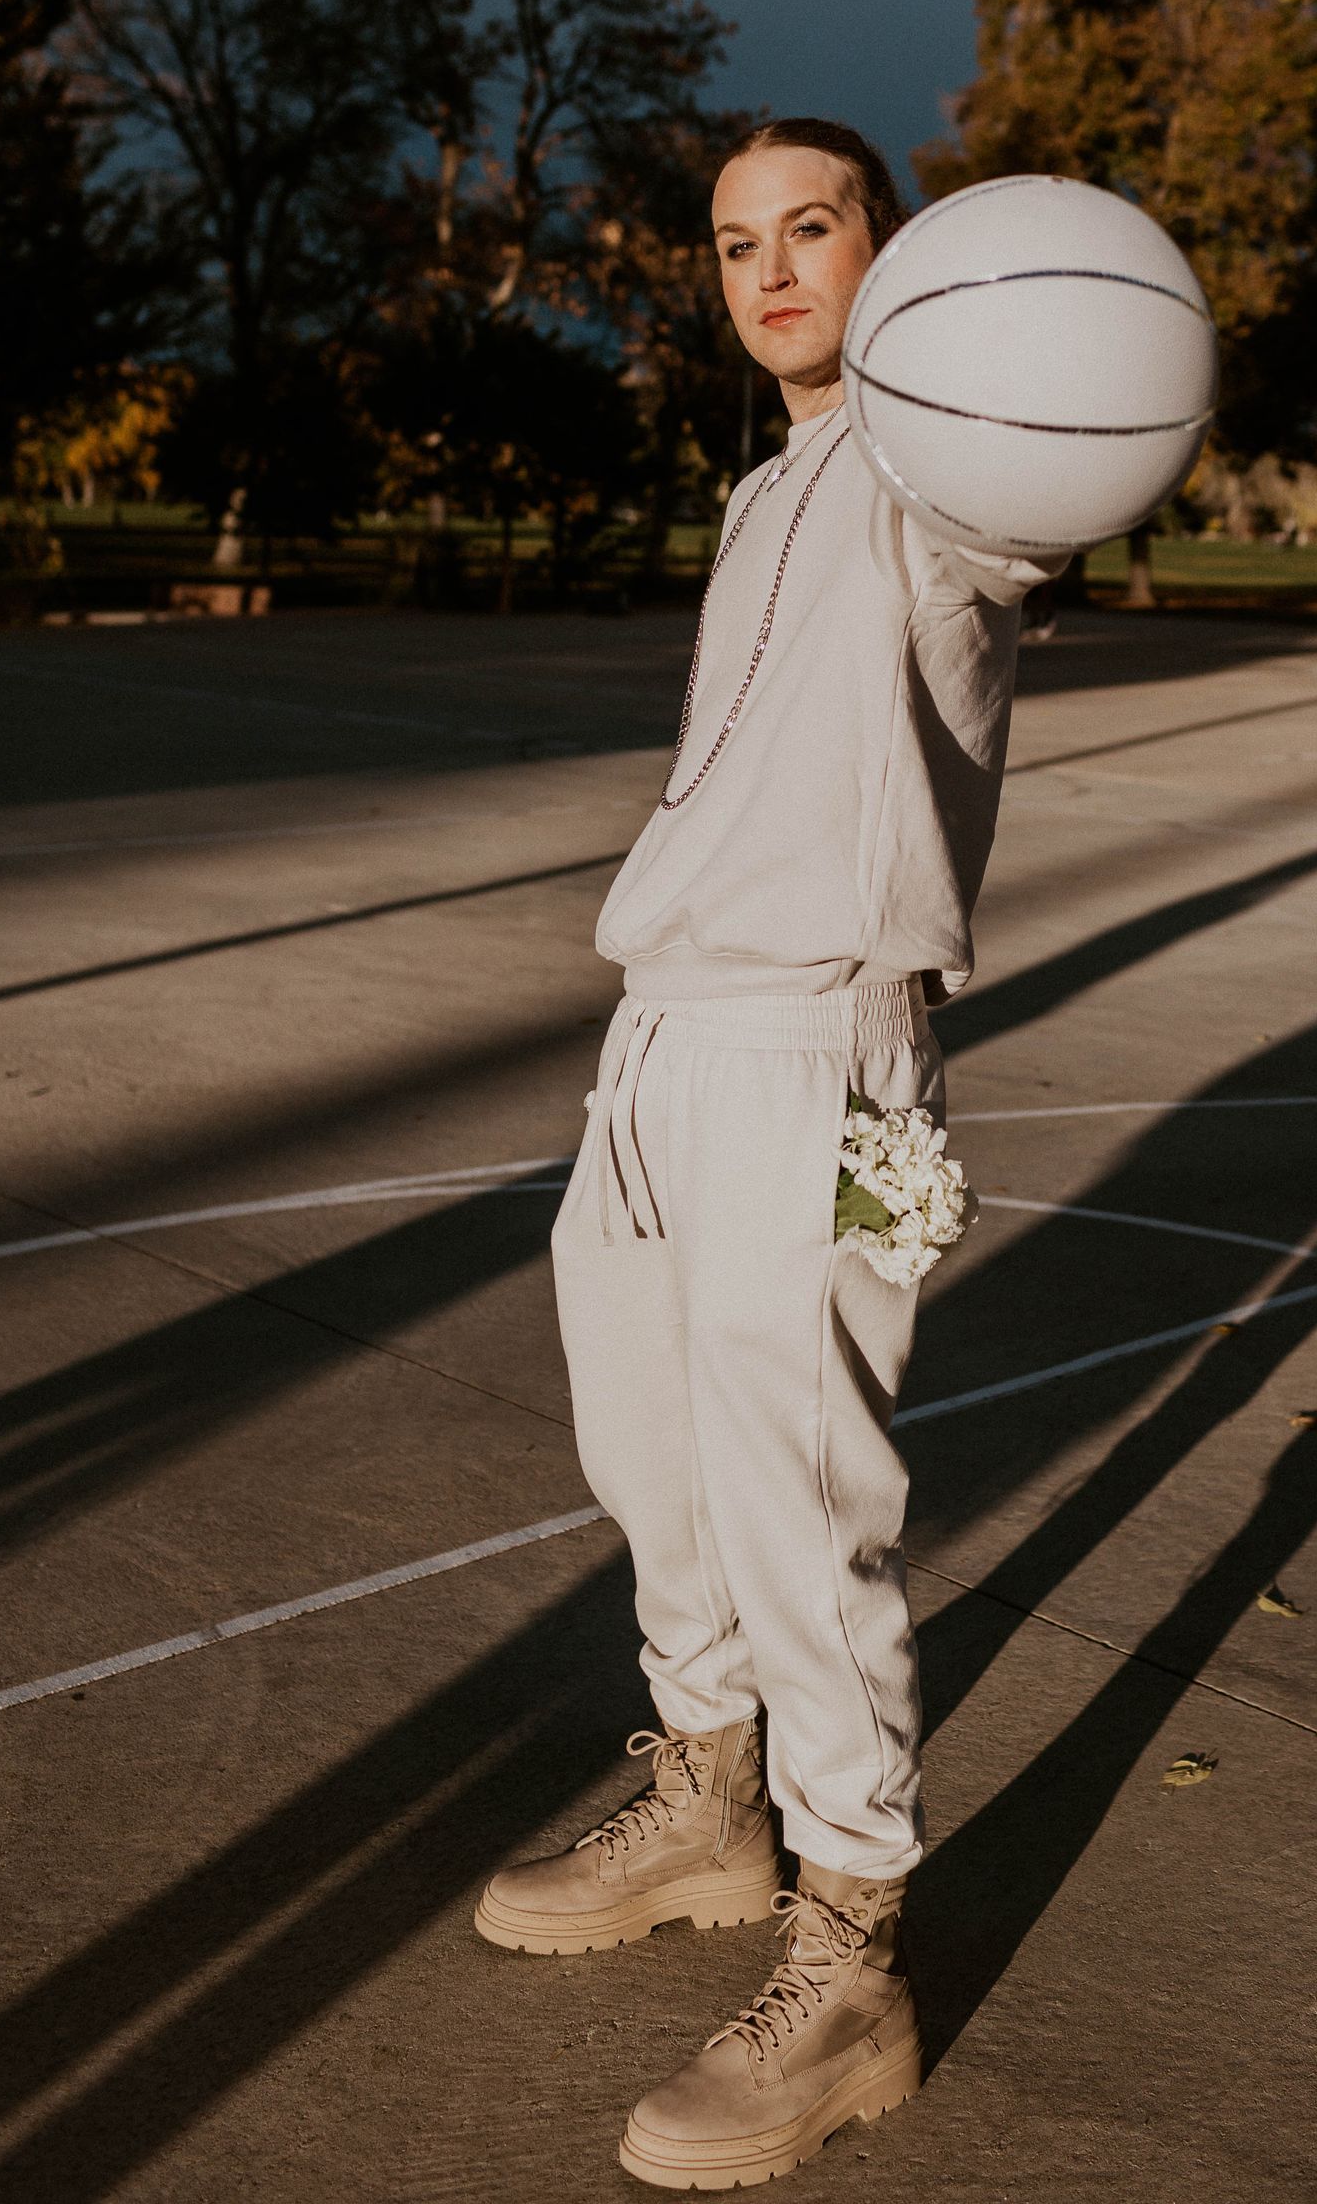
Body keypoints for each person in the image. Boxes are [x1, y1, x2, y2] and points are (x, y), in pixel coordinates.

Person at [474, 118, 1055, 2188]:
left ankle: (855, 1953)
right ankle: (713, 1797)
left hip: (820, 1044)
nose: (773, 267)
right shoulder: (768, 488)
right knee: (655, 1454)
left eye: (813, 226)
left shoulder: (930, 473)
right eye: (739, 243)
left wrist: (1015, 372)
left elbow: (1024, 510)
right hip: (665, 1036)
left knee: (807, 1498)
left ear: (889, 254)